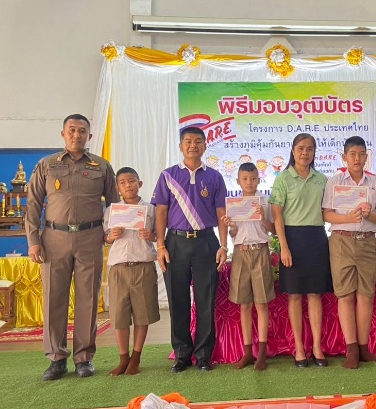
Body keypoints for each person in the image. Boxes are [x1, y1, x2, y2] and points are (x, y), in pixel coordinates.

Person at [26, 113, 118, 381]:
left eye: (82, 131)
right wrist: (33, 241)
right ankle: (56, 358)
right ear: (63, 134)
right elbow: (33, 204)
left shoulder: (102, 166)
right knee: (54, 298)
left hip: (91, 237)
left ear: (90, 136)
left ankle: (84, 358)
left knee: (88, 299)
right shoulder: (47, 165)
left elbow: (113, 205)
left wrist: (110, 232)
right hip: (54, 238)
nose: (77, 135)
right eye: (72, 130)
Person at [153, 127, 229, 373]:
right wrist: (160, 245)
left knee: (206, 300)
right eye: (188, 141)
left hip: (207, 242)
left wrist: (224, 245)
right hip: (175, 243)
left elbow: (221, 213)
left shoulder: (215, 177)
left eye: (198, 141)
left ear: (205, 146)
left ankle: (204, 355)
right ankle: (182, 353)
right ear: (180, 146)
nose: (193, 145)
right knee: (178, 300)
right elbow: (161, 211)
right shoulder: (168, 176)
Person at [323, 136, 376, 369]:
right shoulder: (334, 182)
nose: (357, 158)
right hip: (342, 241)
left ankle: (363, 348)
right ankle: (351, 349)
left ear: (366, 157)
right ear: (344, 157)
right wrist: (348, 218)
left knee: (365, 296)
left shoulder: (375, 183)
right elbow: (327, 214)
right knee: (345, 296)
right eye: (352, 154)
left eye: (361, 154)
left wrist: (371, 215)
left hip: (367, 242)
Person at [270, 133, 331, 368]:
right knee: (294, 295)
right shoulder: (283, 179)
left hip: (316, 239)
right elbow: (277, 216)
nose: (305, 153)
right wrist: (284, 247)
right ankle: (298, 348)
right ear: (293, 151)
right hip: (292, 239)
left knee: (315, 294)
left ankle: (316, 347)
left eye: (309, 149)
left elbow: (329, 211)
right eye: (300, 148)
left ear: (314, 152)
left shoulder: (322, 180)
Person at [103, 167, 160, 376]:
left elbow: (159, 236)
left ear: (140, 183)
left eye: (132, 181)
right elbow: (105, 237)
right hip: (119, 268)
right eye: (123, 182)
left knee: (142, 314)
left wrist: (151, 236)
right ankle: (123, 358)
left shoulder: (151, 210)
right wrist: (111, 236)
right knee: (119, 316)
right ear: (117, 188)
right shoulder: (112, 211)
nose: (128, 185)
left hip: (143, 266)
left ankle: (136, 357)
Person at [221, 163, 276, 371]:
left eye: (253, 179)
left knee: (261, 304)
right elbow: (234, 234)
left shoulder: (265, 202)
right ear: (238, 181)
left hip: (260, 251)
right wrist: (231, 226)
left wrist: (263, 218)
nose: (249, 182)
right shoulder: (234, 204)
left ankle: (261, 353)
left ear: (259, 180)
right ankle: (247, 353)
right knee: (244, 305)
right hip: (240, 253)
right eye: (244, 179)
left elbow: (273, 230)